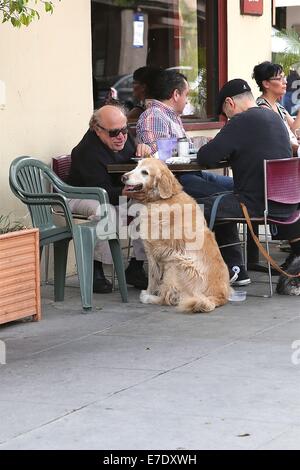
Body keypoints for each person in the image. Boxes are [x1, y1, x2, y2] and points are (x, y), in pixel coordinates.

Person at [190, 78, 300, 285]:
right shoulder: (274, 117)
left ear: (230, 103)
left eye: (225, 113)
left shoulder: (241, 121)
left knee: (200, 207)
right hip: (287, 201)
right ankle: (236, 269)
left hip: (256, 204)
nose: (226, 118)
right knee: (221, 200)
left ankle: (232, 270)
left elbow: (206, 157)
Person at [68, 104, 151, 293]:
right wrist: (126, 193)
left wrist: (143, 149)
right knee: (106, 211)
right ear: (98, 130)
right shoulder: (86, 151)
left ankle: (137, 266)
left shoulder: (123, 137)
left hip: (114, 190)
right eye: (114, 133)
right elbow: (100, 191)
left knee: (146, 206)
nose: (121, 136)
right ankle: (97, 269)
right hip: (81, 194)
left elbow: (132, 164)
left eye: (124, 129)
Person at [136, 69, 234, 197]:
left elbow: (183, 146)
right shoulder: (154, 116)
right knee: (229, 196)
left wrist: (208, 142)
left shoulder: (170, 116)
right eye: (186, 95)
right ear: (176, 94)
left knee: (240, 186)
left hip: (189, 174)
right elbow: (158, 158)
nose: (187, 101)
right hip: (175, 180)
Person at [252, 61, 300, 155]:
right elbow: (280, 141)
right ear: (266, 84)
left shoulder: (278, 106)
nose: (285, 81)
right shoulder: (262, 108)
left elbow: (294, 132)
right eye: (280, 78)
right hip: (278, 159)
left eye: (284, 77)